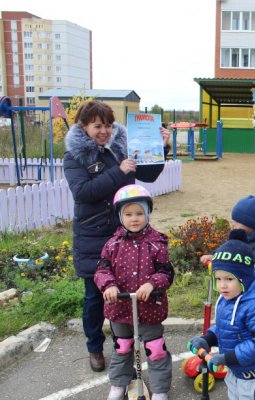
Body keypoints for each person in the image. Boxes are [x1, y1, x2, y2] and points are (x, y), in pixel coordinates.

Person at [63, 100, 170, 372]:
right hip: (94, 235)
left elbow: (148, 174)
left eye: (108, 125)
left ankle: (120, 343)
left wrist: (161, 148)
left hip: (125, 235)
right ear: (84, 126)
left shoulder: (120, 148)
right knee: (95, 296)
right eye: (97, 126)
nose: (104, 131)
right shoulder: (74, 156)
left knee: (123, 294)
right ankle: (94, 347)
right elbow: (84, 192)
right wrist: (117, 171)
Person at [94, 184, 175, 400]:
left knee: (155, 350)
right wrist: (109, 285)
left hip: (149, 309)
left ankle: (159, 389)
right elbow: (102, 269)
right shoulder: (113, 244)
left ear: (147, 213)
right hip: (120, 308)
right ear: (120, 216)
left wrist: (152, 284)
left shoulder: (157, 243)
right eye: (128, 214)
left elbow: (166, 273)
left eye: (139, 213)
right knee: (122, 347)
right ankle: (119, 384)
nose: (134, 219)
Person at [187, 230, 255, 400]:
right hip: (236, 368)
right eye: (218, 279)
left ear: (244, 278)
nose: (222, 286)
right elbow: (226, 326)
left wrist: (227, 358)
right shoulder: (229, 297)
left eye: (229, 279)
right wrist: (207, 339)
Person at [201, 195, 255, 266]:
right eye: (233, 220)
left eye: (238, 222)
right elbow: (227, 249)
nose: (233, 224)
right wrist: (215, 256)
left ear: (251, 225)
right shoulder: (239, 236)